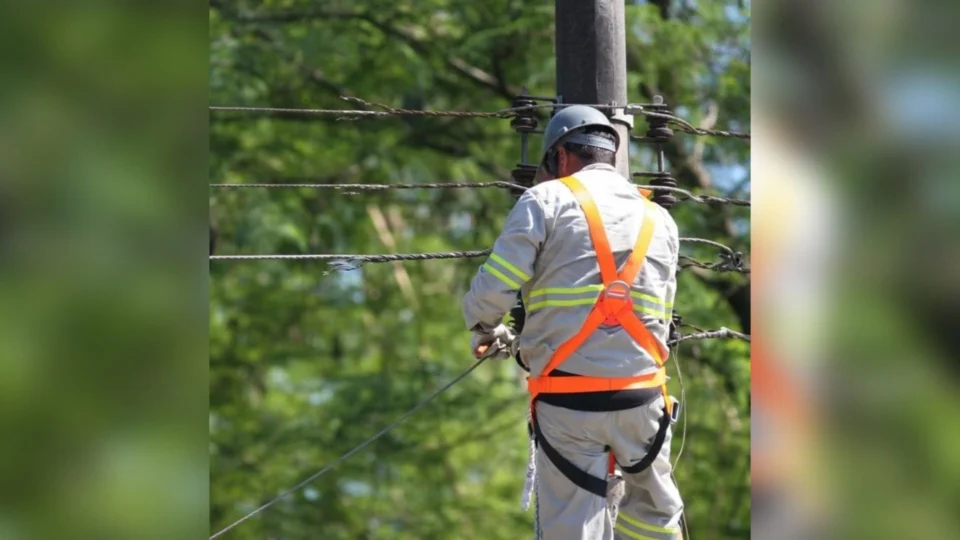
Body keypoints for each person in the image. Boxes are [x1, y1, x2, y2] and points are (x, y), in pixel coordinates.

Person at [462, 105, 684, 540]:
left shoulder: (546, 199)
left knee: (572, 525)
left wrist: (485, 328)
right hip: (641, 399)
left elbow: (496, 288)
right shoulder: (660, 219)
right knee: (654, 518)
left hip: (569, 402)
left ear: (560, 157)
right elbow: (662, 310)